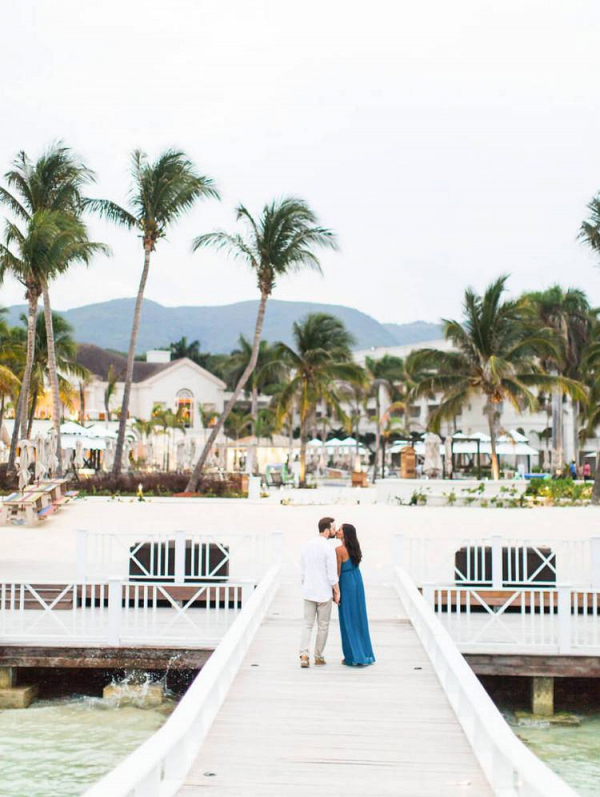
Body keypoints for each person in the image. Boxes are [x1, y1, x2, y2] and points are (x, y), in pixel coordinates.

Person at [299, 517, 340, 668]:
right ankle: (318, 656)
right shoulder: (328, 548)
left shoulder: (307, 545)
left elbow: (302, 571)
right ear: (327, 530)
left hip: (308, 591)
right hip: (324, 593)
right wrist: (337, 591)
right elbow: (332, 575)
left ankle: (304, 655)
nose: (335, 531)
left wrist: (306, 585)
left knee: (307, 624)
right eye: (334, 528)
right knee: (323, 625)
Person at [335, 523, 375, 666]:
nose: (337, 532)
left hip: (346, 583)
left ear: (344, 534)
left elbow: (337, 573)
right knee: (359, 617)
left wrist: (336, 592)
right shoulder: (355, 548)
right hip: (357, 581)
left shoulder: (339, 550)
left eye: (339, 530)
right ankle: (365, 653)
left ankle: (353, 656)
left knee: (347, 619)